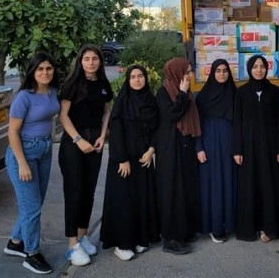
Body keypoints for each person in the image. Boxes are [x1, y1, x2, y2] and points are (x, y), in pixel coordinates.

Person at [3, 52, 60, 274]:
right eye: (40, 69)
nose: (45, 72)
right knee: (32, 206)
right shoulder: (24, 97)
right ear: (32, 72)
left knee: (34, 203)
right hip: (23, 153)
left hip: (45, 151)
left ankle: (15, 242)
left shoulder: (53, 92)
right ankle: (32, 254)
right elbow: (12, 132)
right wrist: (22, 163)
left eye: (48, 68)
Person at [59, 45, 114, 266]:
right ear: (80, 62)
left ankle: (82, 237)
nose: (90, 62)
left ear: (100, 62)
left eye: (94, 59)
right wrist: (78, 140)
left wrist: (103, 135)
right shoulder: (72, 84)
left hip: (95, 141)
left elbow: (107, 110)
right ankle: (72, 245)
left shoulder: (102, 84)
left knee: (89, 192)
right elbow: (63, 116)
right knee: (75, 192)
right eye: (86, 59)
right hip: (74, 142)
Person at [100, 65, 160, 261]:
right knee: (124, 200)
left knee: (142, 197)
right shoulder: (123, 102)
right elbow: (115, 132)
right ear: (128, 80)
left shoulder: (151, 101)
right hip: (124, 159)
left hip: (144, 157)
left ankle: (140, 238)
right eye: (133, 77)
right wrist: (122, 159)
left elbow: (157, 129)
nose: (137, 80)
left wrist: (152, 150)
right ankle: (122, 243)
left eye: (140, 76)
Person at [233, 55, 279, 243]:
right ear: (249, 69)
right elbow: (237, 122)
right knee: (249, 187)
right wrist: (237, 150)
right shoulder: (241, 92)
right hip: (247, 148)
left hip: (270, 147)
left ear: (267, 68)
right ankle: (250, 229)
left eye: (262, 66)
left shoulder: (273, 91)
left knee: (268, 186)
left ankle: (269, 228)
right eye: (255, 66)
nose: (259, 70)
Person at [155, 57, 201, 255]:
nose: (189, 75)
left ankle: (185, 231)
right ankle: (170, 238)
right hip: (170, 148)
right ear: (176, 72)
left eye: (190, 71)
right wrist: (182, 94)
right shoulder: (164, 92)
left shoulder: (186, 91)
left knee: (186, 188)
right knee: (172, 192)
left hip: (185, 146)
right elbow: (172, 115)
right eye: (186, 72)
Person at [195, 59, 237, 243]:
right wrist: (199, 148)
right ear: (212, 73)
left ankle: (229, 224)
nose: (221, 74)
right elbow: (196, 125)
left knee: (229, 182)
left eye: (225, 71)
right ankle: (214, 226)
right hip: (210, 143)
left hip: (229, 143)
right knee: (212, 185)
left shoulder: (235, 94)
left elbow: (240, 123)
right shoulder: (203, 96)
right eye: (218, 71)